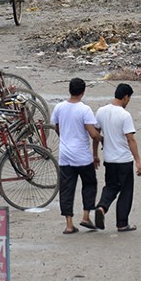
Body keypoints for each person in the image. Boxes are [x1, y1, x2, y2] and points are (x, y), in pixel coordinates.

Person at [51, 78, 101, 234]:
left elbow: (57, 128)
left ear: (69, 90)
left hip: (65, 156)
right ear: (83, 92)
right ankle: (86, 216)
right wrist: (102, 139)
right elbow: (93, 134)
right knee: (89, 185)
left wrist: (65, 138)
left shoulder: (59, 107)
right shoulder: (84, 110)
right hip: (82, 156)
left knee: (66, 189)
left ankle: (69, 224)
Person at [94, 84, 141, 233]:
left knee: (110, 186)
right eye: (129, 99)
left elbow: (96, 135)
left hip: (109, 159)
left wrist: (95, 154)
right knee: (126, 191)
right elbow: (130, 139)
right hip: (124, 160)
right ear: (126, 97)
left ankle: (102, 207)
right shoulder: (124, 115)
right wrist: (138, 161)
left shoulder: (101, 111)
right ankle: (122, 223)